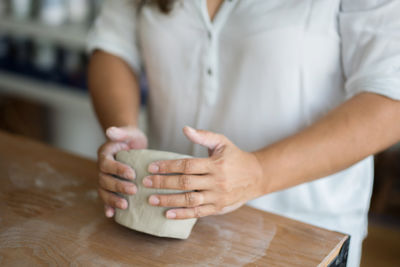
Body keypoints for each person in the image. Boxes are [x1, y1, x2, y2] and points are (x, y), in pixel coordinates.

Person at [87, 1, 400, 266]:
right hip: (163, 225)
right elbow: (114, 47)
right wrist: (124, 131)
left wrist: (259, 172)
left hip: (301, 237)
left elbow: (390, 99)